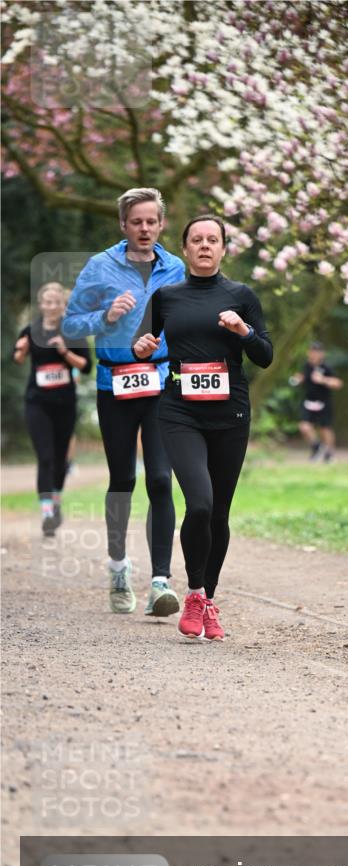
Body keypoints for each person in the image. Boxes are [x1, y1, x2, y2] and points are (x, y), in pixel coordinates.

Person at [133, 215, 273, 641]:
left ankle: (207, 598)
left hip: (231, 414)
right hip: (180, 412)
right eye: (197, 240)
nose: (205, 245)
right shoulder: (166, 296)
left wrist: (243, 331)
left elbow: (265, 355)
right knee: (199, 504)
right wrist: (142, 348)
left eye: (213, 239)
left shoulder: (242, 296)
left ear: (224, 248)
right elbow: (142, 345)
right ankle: (194, 593)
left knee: (219, 513)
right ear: (185, 248)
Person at [62, 187, 185, 617]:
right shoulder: (100, 266)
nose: (144, 228)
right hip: (115, 384)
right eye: (137, 222)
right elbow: (70, 324)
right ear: (123, 225)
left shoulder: (176, 268)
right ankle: (118, 568)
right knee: (122, 479)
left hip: (161, 382)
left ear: (161, 224)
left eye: (151, 221)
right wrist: (106, 316)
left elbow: (186, 320)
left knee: (161, 479)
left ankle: (160, 582)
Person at [13, 282, 92, 537]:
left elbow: (86, 366)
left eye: (56, 302)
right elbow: (17, 358)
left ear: (62, 305)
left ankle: (55, 499)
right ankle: (47, 512)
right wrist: (21, 350)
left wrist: (64, 352)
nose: (52, 306)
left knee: (59, 459)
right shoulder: (31, 330)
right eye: (47, 302)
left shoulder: (73, 331)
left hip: (64, 404)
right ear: (41, 304)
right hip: (37, 402)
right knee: (45, 456)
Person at [290, 342, 343, 462]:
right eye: (311, 351)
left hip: (324, 402)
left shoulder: (327, 367)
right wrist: (298, 379)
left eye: (316, 352)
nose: (313, 354)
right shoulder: (306, 366)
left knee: (325, 429)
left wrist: (323, 380)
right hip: (308, 402)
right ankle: (316, 446)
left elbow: (338, 383)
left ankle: (329, 454)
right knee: (304, 426)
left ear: (322, 354)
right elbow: (302, 377)